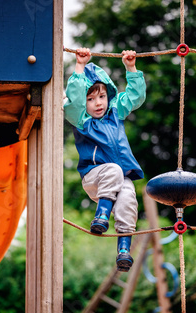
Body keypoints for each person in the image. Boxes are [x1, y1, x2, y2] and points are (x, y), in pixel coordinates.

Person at [64, 48, 146, 272]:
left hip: (118, 180)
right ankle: (101, 216)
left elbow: (135, 97)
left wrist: (131, 68)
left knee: (129, 197)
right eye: (90, 99)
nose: (98, 103)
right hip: (95, 178)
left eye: (101, 96)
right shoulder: (81, 119)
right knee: (113, 170)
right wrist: (79, 66)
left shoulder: (115, 113)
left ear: (108, 95)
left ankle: (123, 249)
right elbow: (73, 101)